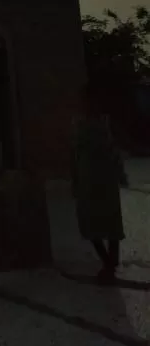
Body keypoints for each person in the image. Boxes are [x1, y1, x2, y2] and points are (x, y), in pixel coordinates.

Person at [71, 83, 128, 282]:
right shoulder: (78, 124)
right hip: (88, 179)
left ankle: (111, 263)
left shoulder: (105, 123)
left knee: (111, 222)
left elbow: (114, 151)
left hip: (105, 178)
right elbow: (75, 154)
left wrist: (120, 173)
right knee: (89, 222)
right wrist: (75, 179)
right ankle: (108, 261)